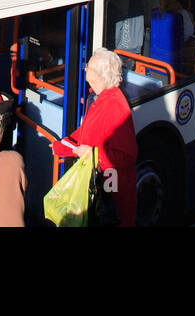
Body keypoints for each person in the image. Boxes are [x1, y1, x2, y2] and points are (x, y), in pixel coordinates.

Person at [51, 48, 137, 226]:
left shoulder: (115, 106)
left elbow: (126, 157)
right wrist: (61, 147)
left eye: (88, 66)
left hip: (111, 191)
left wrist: (91, 153)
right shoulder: (98, 97)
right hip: (103, 186)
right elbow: (85, 133)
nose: (84, 69)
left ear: (100, 75)